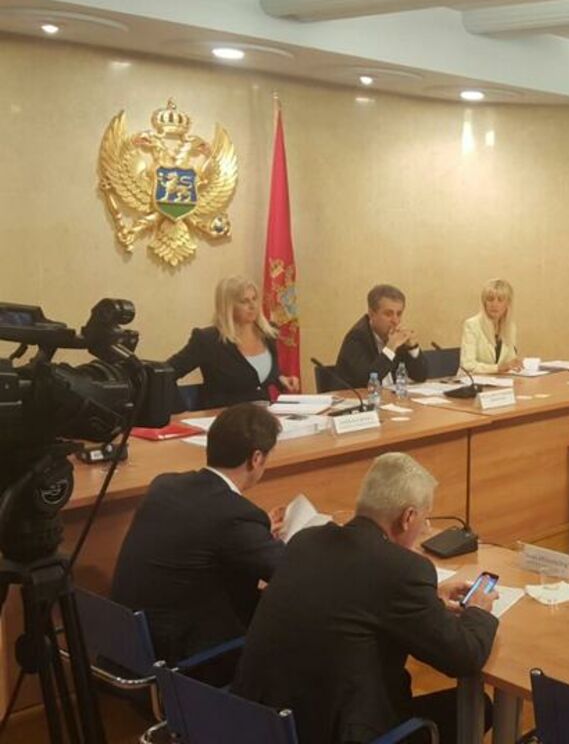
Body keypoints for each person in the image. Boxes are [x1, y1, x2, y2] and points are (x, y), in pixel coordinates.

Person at [233, 453, 498, 744]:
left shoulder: (305, 542)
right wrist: (479, 610)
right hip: (336, 733)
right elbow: (464, 657)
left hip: (260, 724)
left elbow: (348, 593)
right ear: (408, 517)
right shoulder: (402, 570)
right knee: (478, 707)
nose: (424, 529)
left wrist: (428, 598)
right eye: (425, 519)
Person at [111, 404, 285, 671]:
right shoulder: (235, 516)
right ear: (256, 458)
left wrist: (257, 535)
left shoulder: (165, 485)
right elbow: (289, 572)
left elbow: (206, 535)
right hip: (181, 661)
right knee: (292, 619)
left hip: (128, 644)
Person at [168, 276, 299, 410]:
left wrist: (279, 378)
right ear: (228, 306)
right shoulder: (207, 340)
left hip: (262, 416)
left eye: (254, 299)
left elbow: (255, 374)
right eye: (244, 301)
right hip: (225, 418)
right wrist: (180, 412)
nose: (252, 306)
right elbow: (164, 374)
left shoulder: (268, 333)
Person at [335, 284, 429, 387]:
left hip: (390, 395)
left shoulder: (396, 337)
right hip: (360, 396)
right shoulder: (357, 338)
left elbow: (421, 376)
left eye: (399, 314)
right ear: (371, 314)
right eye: (388, 314)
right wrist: (390, 348)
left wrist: (413, 348)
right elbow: (367, 381)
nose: (395, 321)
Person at [460, 278, 520, 374]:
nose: (494, 304)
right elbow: (468, 365)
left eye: (500, 300)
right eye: (490, 299)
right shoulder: (472, 325)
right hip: (472, 380)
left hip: (499, 380)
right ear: (484, 303)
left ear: (507, 304)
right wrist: (497, 368)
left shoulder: (511, 328)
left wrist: (515, 365)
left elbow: (510, 361)